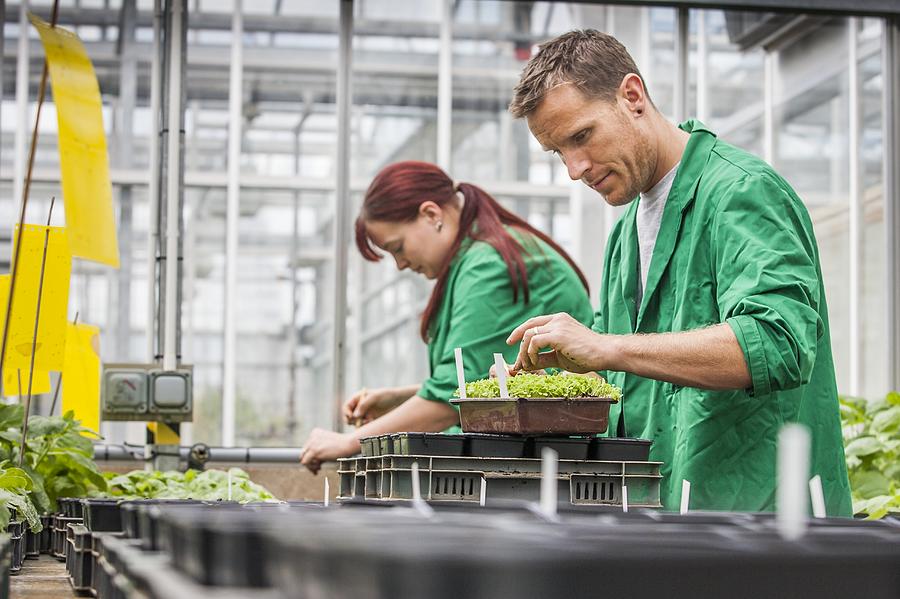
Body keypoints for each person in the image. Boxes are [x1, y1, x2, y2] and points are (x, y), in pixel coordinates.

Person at [503, 29, 852, 515]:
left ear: (632, 95)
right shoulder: (627, 233)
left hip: (762, 527)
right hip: (669, 522)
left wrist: (607, 348)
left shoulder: (741, 193)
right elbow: (637, 379)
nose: (574, 169)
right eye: (559, 151)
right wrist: (572, 365)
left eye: (582, 136)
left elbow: (780, 343)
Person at [300, 161, 593, 473]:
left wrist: (348, 442)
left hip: (543, 465)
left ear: (431, 214)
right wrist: (401, 397)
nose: (400, 264)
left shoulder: (487, 265)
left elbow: (447, 402)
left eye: (398, 248)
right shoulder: (481, 256)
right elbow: (485, 381)